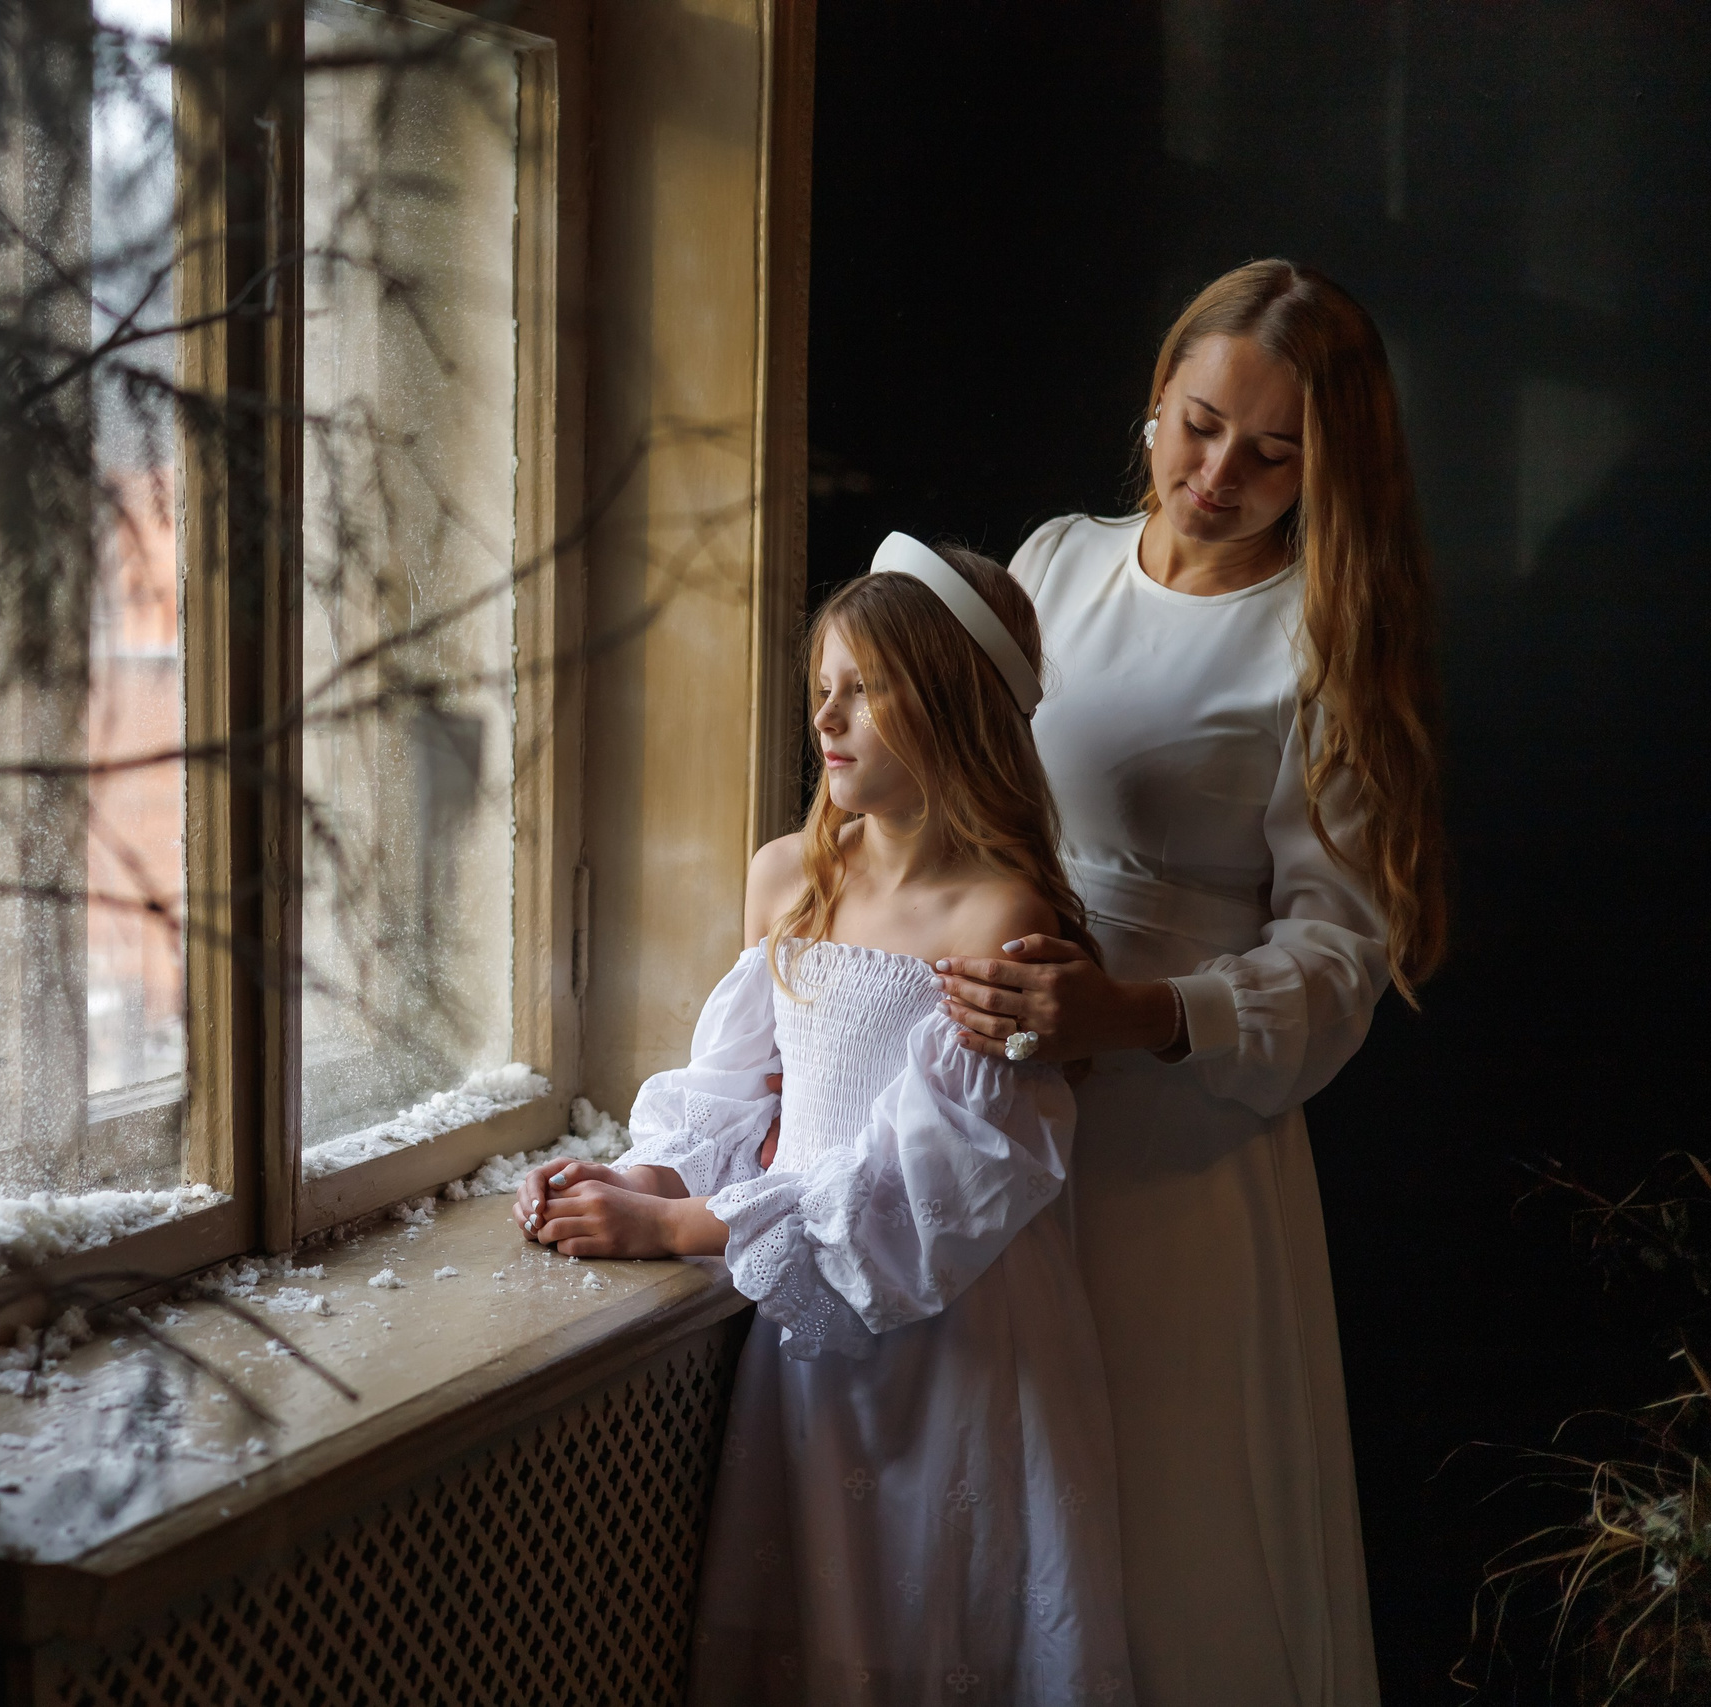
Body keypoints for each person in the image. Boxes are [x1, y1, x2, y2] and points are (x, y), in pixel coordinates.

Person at [930, 259, 1446, 1706]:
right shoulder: (1052, 562)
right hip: (986, 1102)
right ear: (1155, 400)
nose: (1220, 472)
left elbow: (1342, 958)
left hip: (1178, 1147)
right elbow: (942, 792)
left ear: (1331, 466)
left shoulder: (1323, 638)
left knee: (1165, 1538)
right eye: (1200, 424)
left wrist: (1140, 1013)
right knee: (1000, 1509)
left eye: (1276, 451)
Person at [517, 536, 1133, 1704]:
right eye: (822, 692)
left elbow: (920, 1190)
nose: (829, 720)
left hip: (950, 1332)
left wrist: (684, 1230)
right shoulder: (789, 876)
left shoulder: (998, 912)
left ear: (953, 704)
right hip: (802, 1318)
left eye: (864, 690)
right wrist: (640, 1177)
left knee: (937, 1609)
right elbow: (735, 1085)